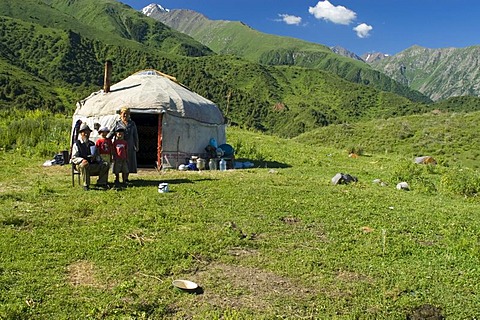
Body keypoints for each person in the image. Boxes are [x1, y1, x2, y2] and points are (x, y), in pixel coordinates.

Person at [71, 123, 109, 191]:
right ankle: (86, 184)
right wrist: (82, 160)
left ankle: (101, 182)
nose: (86, 134)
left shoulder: (92, 143)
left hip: (91, 164)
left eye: (88, 132)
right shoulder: (77, 144)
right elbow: (74, 158)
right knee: (84, 164)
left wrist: (96, 158)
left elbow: (97, 155)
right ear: (81, 133)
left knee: (105, 164)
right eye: (84, 132)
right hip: (80, 165)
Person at [108, 107, 139, 180]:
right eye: (124, 113)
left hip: (129, 145)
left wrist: (136, 145)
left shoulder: (132, 123)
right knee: (118, 161)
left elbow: (135, 135)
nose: (125, 115)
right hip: (118, 145)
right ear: (120, 114)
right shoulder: (117, 123)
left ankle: (125, 178)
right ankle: (117, 178)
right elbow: (111, 133)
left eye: (127, 114)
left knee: (128, 161)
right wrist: (105, 140)